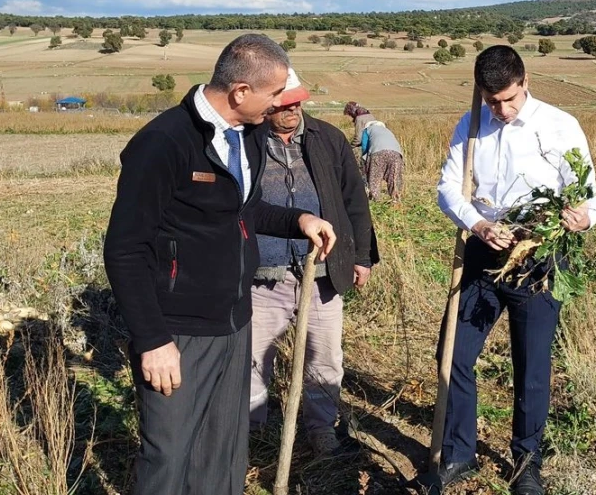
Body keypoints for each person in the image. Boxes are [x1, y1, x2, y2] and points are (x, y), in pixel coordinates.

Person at [103, 34, 336, 495]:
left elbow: (242, 212)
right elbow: (124, 249)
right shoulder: (163, 143)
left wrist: (299, 219)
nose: (279, 106)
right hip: (178, 331)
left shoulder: (246, 136)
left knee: (223, 449)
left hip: (234, 321)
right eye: (273, 96)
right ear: (241, 92)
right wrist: (153, 340)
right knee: (169, 454)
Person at [433, 45, 596, 495]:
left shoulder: (560, 125)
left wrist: (582, 217)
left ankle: (525, 462)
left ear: (525, 81)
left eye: (509, 98)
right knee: (454, 355)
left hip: (540, 260)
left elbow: (590, 196)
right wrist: (478, 224)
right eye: (493, 101)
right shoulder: (470, 126)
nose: (502, 109)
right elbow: (448, 188)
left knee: (530, 365)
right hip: (484, 253)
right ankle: (458, 453)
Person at [248, 68, 380, 457]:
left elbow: (354, 201)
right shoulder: (246, 140)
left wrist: (361, 257)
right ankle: (252, 428)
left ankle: (322, 428)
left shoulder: (328, 138)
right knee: (253, 360)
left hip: (321, 274)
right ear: (267, 104)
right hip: (262, 276)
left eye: (298, 102)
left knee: (325, 360)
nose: (293, 110)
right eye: (284, 104)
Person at [344, 101, 404, 200]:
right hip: (396, 154)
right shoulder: (387, 130)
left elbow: (364, 147)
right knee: (394, 178)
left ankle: (375, 199)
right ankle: (396, 200)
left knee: (375, 178)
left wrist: (364, 162)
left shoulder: (367, 130)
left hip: (378, 153)